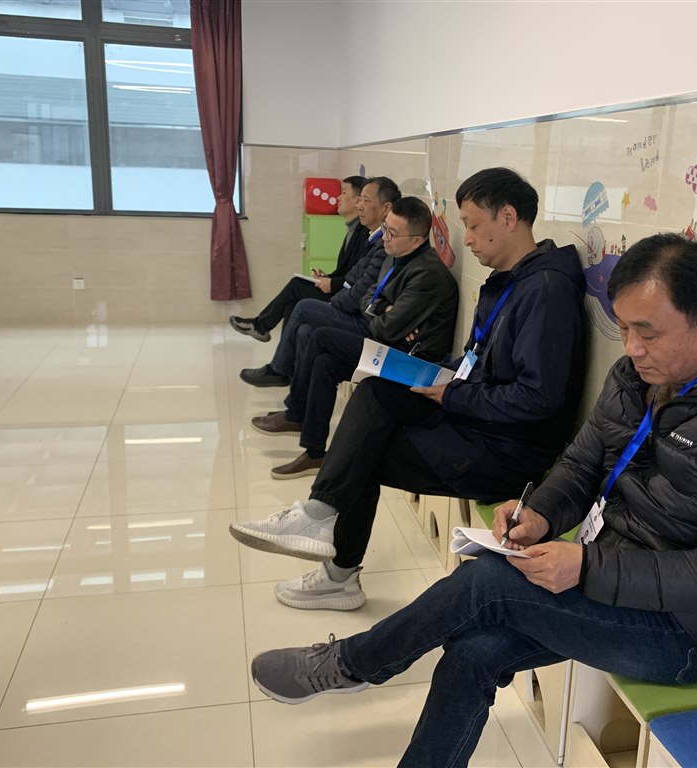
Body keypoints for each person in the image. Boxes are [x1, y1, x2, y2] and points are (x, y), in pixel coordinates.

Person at [247, 232, 697, 768]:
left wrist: (586, 566)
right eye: (623, 329)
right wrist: (540, 512)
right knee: (473, 650)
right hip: (615, 575)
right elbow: (582, 464)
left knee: (488, 582)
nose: (633, 349)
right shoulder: (636, 377)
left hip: (685, 632)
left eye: (648, 332)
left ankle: (353, 664)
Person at [229, 167, 587, 610]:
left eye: (473, 226)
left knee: (363, 453)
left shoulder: (546, 291)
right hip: (477, 415)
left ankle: (337, 572)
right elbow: (481, 361)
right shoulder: (512, 281)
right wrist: (438, 373)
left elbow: (539, 399)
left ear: (508, 217)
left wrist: (452, 393)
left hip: (505, 451)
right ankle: (319, 518)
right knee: (376, 390)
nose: (468, 240)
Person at [251, 196, 460, 480]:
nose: (385, 237)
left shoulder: (428, 274)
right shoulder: (395, 256)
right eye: (385, 228)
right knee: (324, 362)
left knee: (320, 335)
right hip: (388, 344)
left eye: (392, 233)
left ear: (417, 240)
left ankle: (296, 412)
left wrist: (381, 311)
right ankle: (314, 452)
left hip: (411, 362)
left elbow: (385, 328)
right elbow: (367, 298)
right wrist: (384, 308)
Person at [239, 177, 400, 387]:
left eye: (365, 200)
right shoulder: (370, 237)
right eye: (360, 199)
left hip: (361, 318)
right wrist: (331, 281)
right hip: (347, 299)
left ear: (386, 208)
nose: (359, 205)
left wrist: (333, 295)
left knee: (303, 303)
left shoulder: (380, 244)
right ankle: (293, 388)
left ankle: (278, 366)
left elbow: (361, 292)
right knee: (300, 317)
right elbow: (353, 278)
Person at [229, 175, 369, 342]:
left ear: (358, 201)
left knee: (296, 286)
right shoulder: (352, 229)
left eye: (344, 192)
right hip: (340, 289)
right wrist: (327, 277)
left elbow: (358, 279)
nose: (338, 197)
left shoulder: (364, 234)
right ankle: (283, 352)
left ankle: (261, 327)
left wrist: (332, 282)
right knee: (292, 302)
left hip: (346, 297)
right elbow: (348, 271)